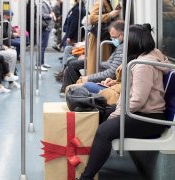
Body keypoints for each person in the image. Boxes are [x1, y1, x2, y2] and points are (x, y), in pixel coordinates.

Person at [77, 24, 170, 180]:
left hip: (149, 118)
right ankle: (85, 162)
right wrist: (115, 110)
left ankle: (87, 176)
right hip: (141, 112)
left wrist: (117, 113)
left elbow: (138, 100)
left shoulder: (143, 65)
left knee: (103, 131)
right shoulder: (151, 56)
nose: (123, 44)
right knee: (99, 112)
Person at [60, 20, 124, 97]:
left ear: (122, 35)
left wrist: (89, 78)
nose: (113, 40)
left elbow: (112, 72)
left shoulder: (122, 48)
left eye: (114, 37)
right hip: (107, 78)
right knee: (71, 65)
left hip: (109, 81)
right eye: (111, 38)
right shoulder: (119, 46)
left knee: (76, 77)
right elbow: (110, 67)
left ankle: (70, 93)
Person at [86, 0, 120, 75]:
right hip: (99, 37)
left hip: (102, 36)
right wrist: (109, 15)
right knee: (96, 62)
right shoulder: (100, 2)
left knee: (102, 61)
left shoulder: (106, 2)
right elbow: (92, 19)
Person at [40, 0, 55, 71]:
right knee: (42, 46)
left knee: (44, 46)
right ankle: (39, 64)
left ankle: (42, 62)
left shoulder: (47, 3)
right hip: (45, 27)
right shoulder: (43, 4)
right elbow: (41, 14)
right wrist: (50, 15)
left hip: (47, 27)